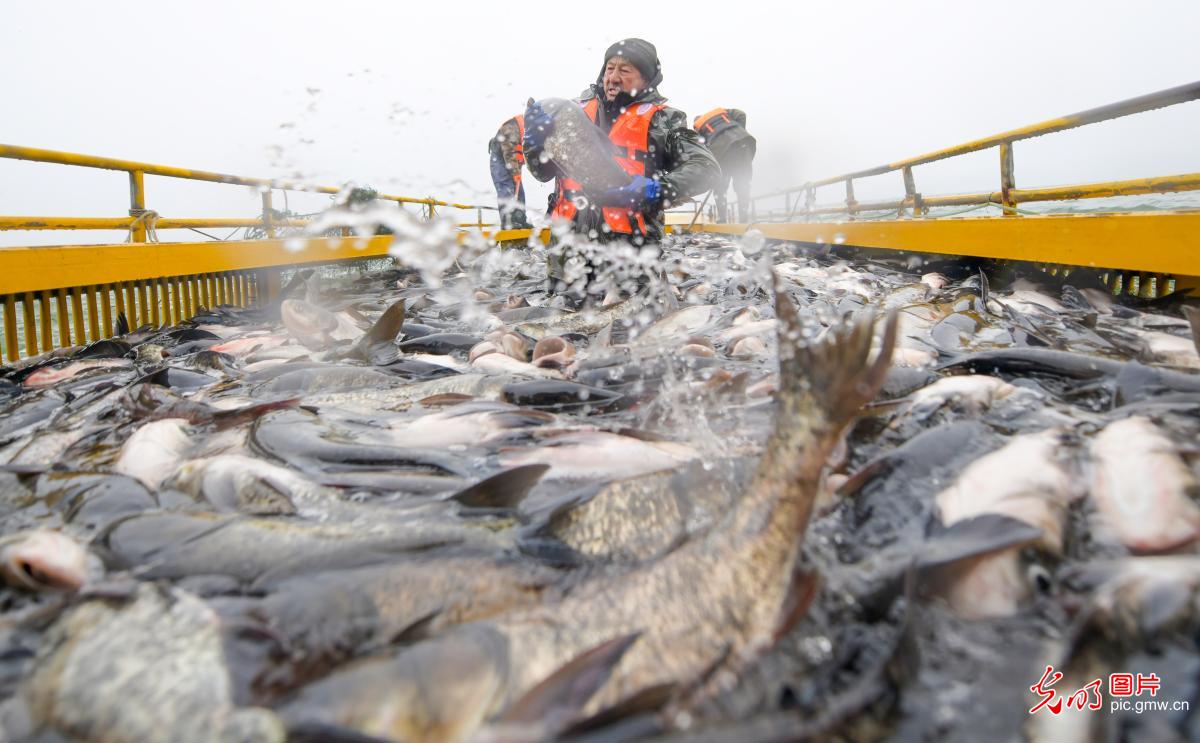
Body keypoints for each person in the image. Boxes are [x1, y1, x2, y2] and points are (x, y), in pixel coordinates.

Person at [522, 38, 719, 251]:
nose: (613, 78)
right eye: (609, 69)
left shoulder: (663, 120)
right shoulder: (571, 114)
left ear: (646, 80)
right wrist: (534, 142)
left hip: (632, 255)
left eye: (625, 71)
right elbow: (541, 173)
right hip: (565, 252)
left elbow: (706, 168)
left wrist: (655, 190)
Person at [694, 108, 756, 222]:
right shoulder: (723, 113)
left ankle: (722, 219)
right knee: (743, 183)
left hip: (722, 153)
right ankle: (744, 219)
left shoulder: (698, 128)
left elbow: (701, 150)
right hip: (743, 144)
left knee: (720, 188)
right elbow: (742, 114)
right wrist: (738, 133)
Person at [487, 114, 532, 229]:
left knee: (519, 193)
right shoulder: (512, 128)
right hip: (500, 160)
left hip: (512, 163)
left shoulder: (529, 133)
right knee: (506, 189)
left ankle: (520, 221)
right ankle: (508, 223)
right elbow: (509, 152)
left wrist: (517, 171)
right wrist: (515, 172)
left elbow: (521, 155)